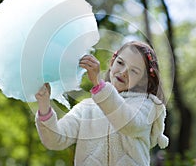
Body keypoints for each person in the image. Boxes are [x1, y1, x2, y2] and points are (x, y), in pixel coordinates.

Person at [35, 40, 169, 166]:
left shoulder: (147, 105)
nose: (123, 72)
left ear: (143, 80)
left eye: (134, 71)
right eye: (120, 63)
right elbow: (55, 140)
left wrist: (99, 84)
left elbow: (129, 123)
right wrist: (44, 103)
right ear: (112, 62)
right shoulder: (86, 108)